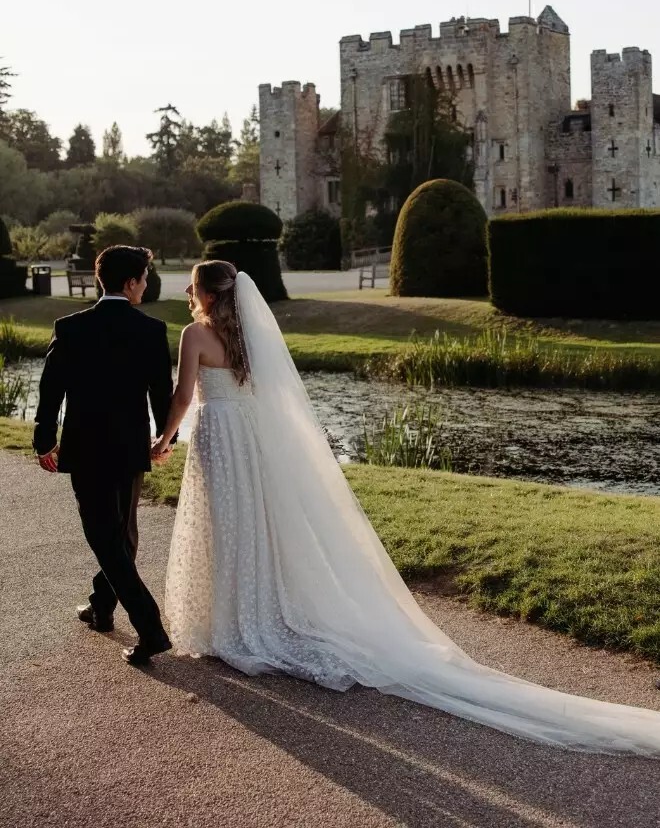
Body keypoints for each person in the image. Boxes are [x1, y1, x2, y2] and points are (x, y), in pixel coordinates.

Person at [152, 260, 660, 755]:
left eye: (194, 290)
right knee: (255, 526)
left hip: (219, 438)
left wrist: (163, 438)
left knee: (224, 526)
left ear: (210, 295)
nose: (190, 298)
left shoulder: (196, 336)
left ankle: (233, 622)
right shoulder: (249, 335)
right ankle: (252, 613)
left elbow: (182, 398)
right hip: (251, 441)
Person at [34, 245, 174, 665]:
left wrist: (45, 439)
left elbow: (50, 391)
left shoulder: (71, 327)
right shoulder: (151, 330)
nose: (146, 285)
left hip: (87, 447)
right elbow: (161, 397)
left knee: (108, 538)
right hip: (130, 449)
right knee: (120, 536)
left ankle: (149, 629)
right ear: (130, 283)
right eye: (145, 278)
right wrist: (163, 440)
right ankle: (102, 607)